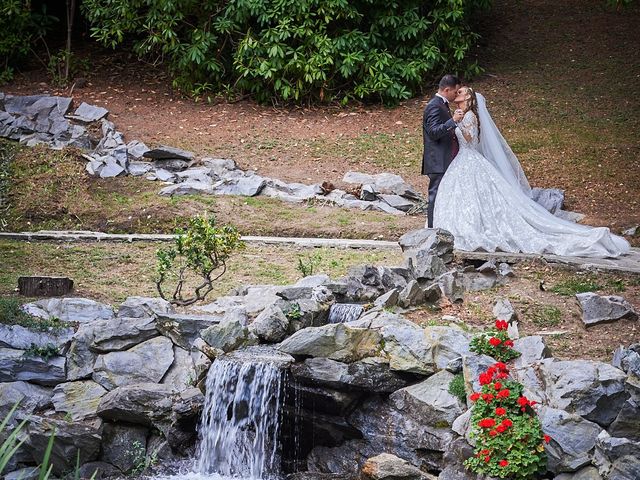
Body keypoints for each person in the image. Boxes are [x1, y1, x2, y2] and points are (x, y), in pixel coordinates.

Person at [432, 86, 630, 258]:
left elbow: (470, 140)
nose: (457, 93)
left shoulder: (469, 116)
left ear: (468, 98)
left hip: (470, 159)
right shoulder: (461, 114)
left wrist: (456, 122)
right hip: (462, 163)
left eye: (461, 92)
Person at [422, 74, 464, 228]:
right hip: (438, 160)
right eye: (455, 91)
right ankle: (431, 229)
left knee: (442, 195)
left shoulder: (442, 104)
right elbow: (433, 132)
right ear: (447, 89)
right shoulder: (434, 105)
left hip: (444, 159)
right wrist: (452, 121)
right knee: (435, 195)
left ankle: (440, 227)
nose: (456, 95)